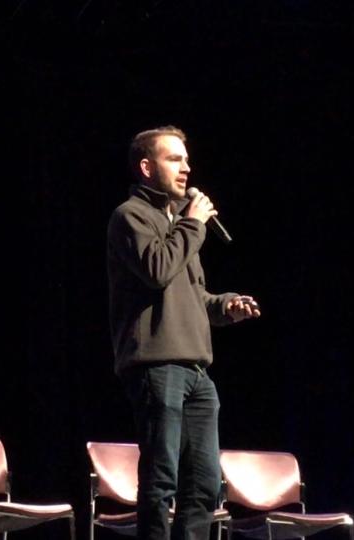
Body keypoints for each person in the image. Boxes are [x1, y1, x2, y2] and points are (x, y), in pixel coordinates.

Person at [106, 125, 260, 540]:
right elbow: (157, 270)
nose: (186, 168)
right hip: (157, 367)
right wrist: (193, 225)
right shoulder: (130, 216)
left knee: (205, 485)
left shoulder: (178, 223)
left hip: (196, 371)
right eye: (174, 159)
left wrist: (224, 306)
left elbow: (191, 296)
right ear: (146, 167)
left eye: (186, 159)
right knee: (161, 479)